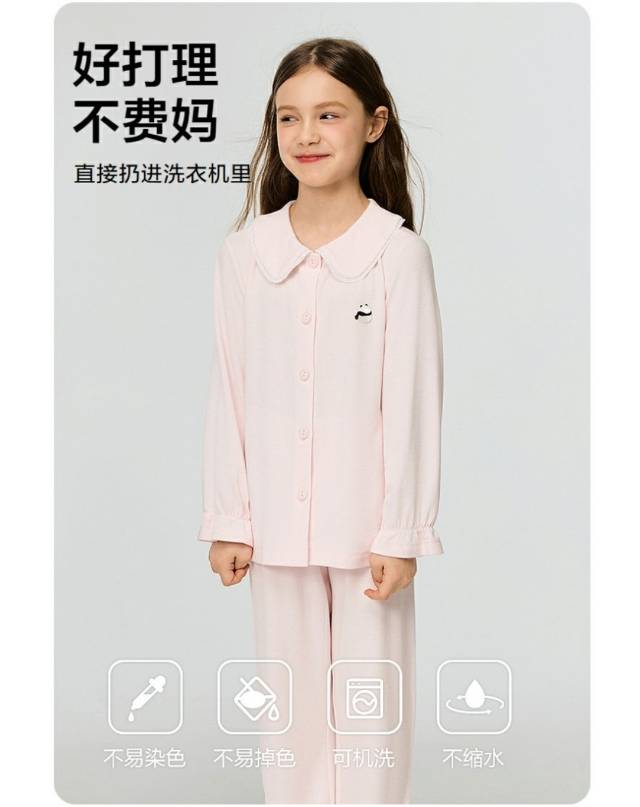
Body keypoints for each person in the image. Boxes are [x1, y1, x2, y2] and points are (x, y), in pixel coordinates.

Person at [197, 37, 445, 804]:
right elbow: (230, 389)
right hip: (273, 531)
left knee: (370, 714)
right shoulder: (246, 254)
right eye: (288, 117)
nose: (306, 134)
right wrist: (230, 517)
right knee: (291, 714)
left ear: (373, 124)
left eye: (328, 115)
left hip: (368, 532)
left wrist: (401, 530)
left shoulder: (397, 255)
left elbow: (413, 400)